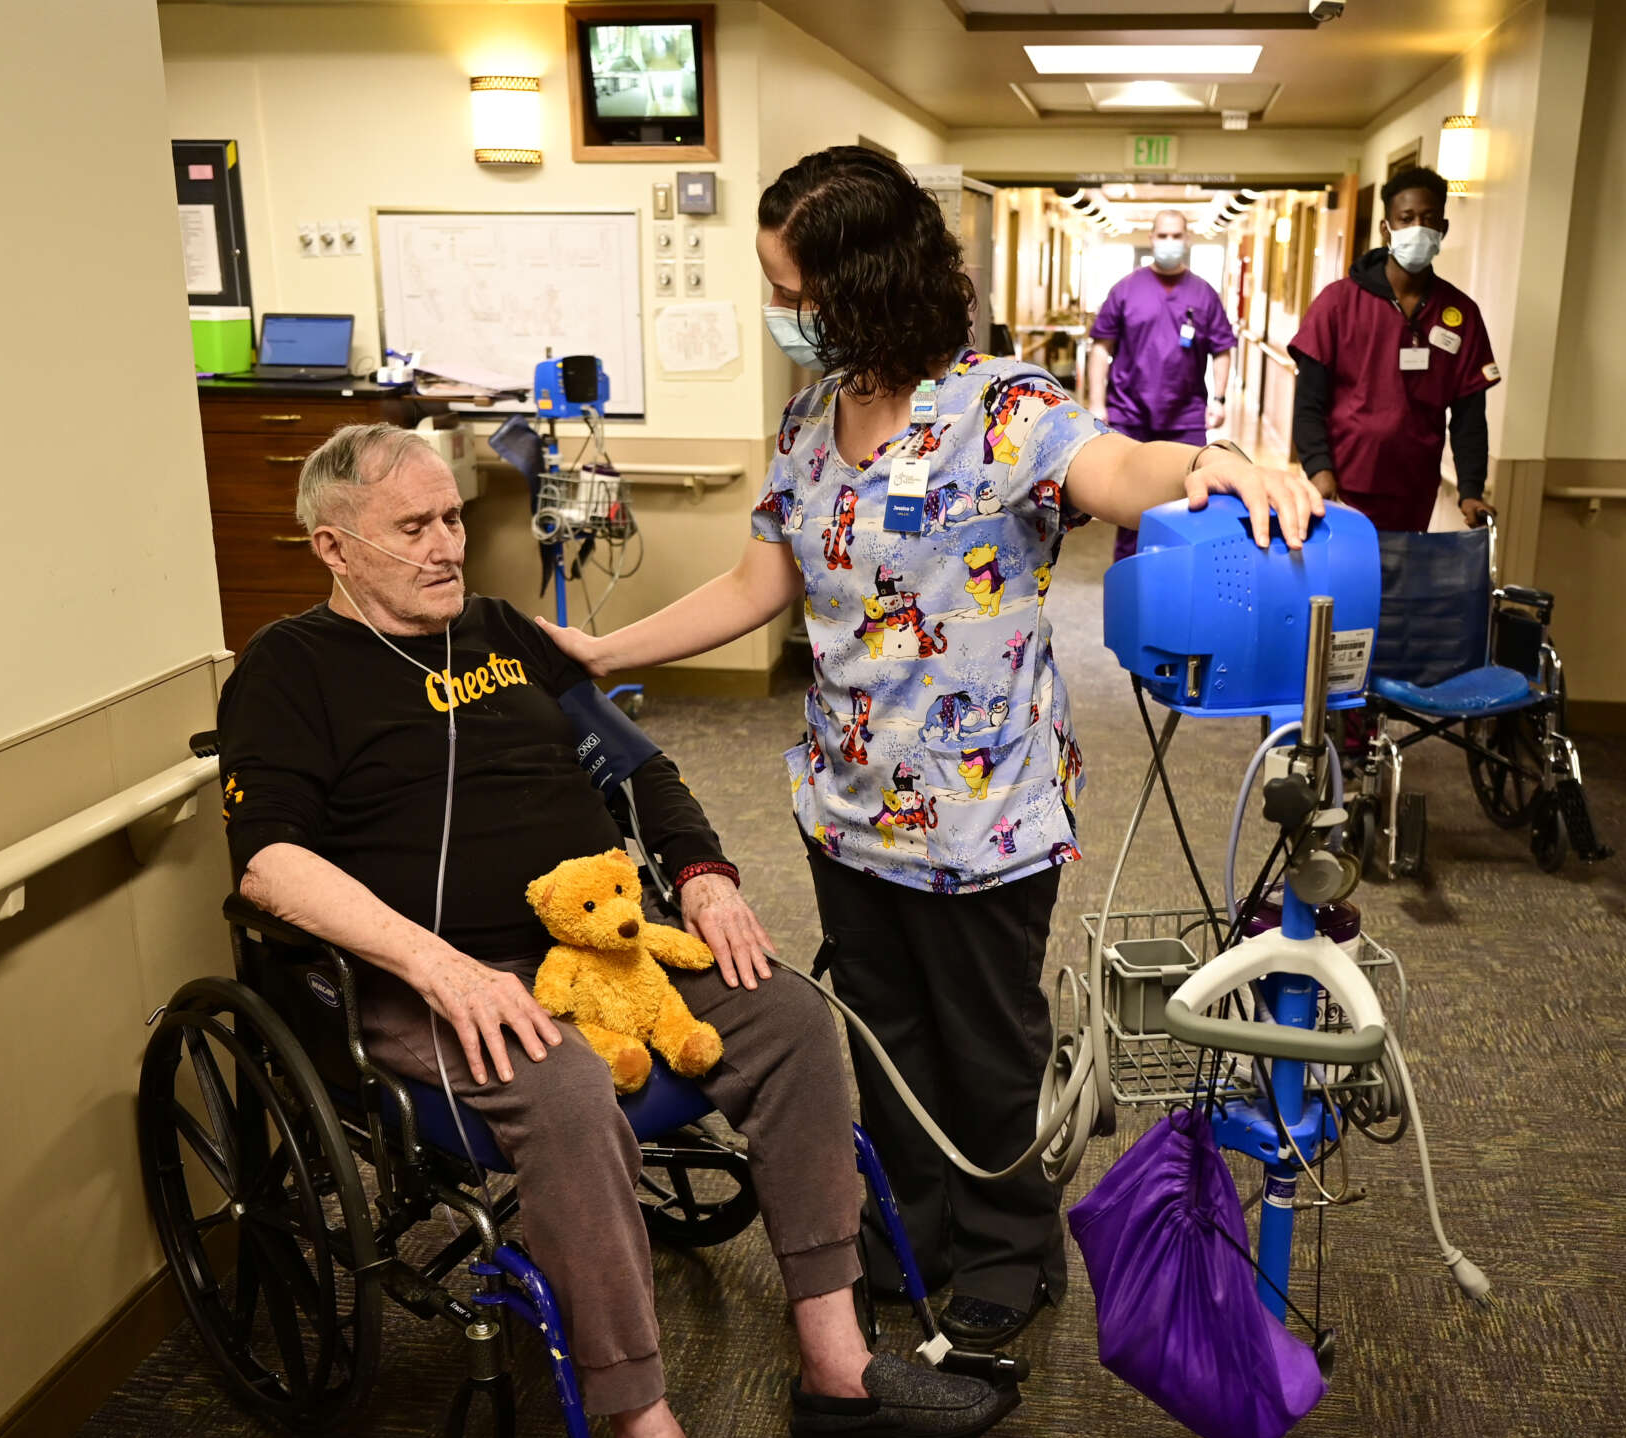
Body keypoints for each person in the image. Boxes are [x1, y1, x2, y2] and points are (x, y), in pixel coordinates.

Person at [546, 147, 1321, 1352]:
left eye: (793, 292)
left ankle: (1011, 1249)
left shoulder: (1002, 405)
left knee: (986, 1047)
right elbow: (763, 577)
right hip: (843, 804)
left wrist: (1211, 464)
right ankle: (913, 1229)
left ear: (863, 284)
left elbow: (1117, 467)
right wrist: (601, 650)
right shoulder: (812, 419)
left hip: (983, 814)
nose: (782, 317)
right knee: (884, 1039)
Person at [218, 423, 1016, 1438]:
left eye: (453, 519)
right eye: (416, 528)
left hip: (613, 941)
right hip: (441, 983)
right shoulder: (287, 670)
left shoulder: (500, 634)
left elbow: (638, 767)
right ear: (334, 546)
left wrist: (700, 873)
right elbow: (267, 862)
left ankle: (837, 1362)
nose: (450, 546)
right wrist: (437, 966)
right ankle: (642, 1435)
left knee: (790, 1012)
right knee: (568, 1082)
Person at [1289, 164, 1500, 537]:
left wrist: (1469, 490)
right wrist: (1319, 469)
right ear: (1387, 228)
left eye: (1429, 219)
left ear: (1443, 230)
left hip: (1414, 491)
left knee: (1399, 590)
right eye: (1406, 218)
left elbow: (1470, 417)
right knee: (1345, 590)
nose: (1418, 228)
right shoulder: (1337, 304)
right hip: (1343, 487)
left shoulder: (1460, 314)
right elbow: (1309, 403)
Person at [1086, 208, 1238, 559]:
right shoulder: (1126, 289)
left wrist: (1218, 398)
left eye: (1176, 236)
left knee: (1191, 503)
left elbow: (1223, 349)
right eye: (1163, 235)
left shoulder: (1203, 294)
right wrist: (1097, 402)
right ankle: (1131, 577)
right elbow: (1100, 347)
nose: (1169, 242)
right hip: (1130, 414)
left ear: (1186, 240)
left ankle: (1179, 578)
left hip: (1185, 417)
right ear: (1152, 238)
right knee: (1130, 509)